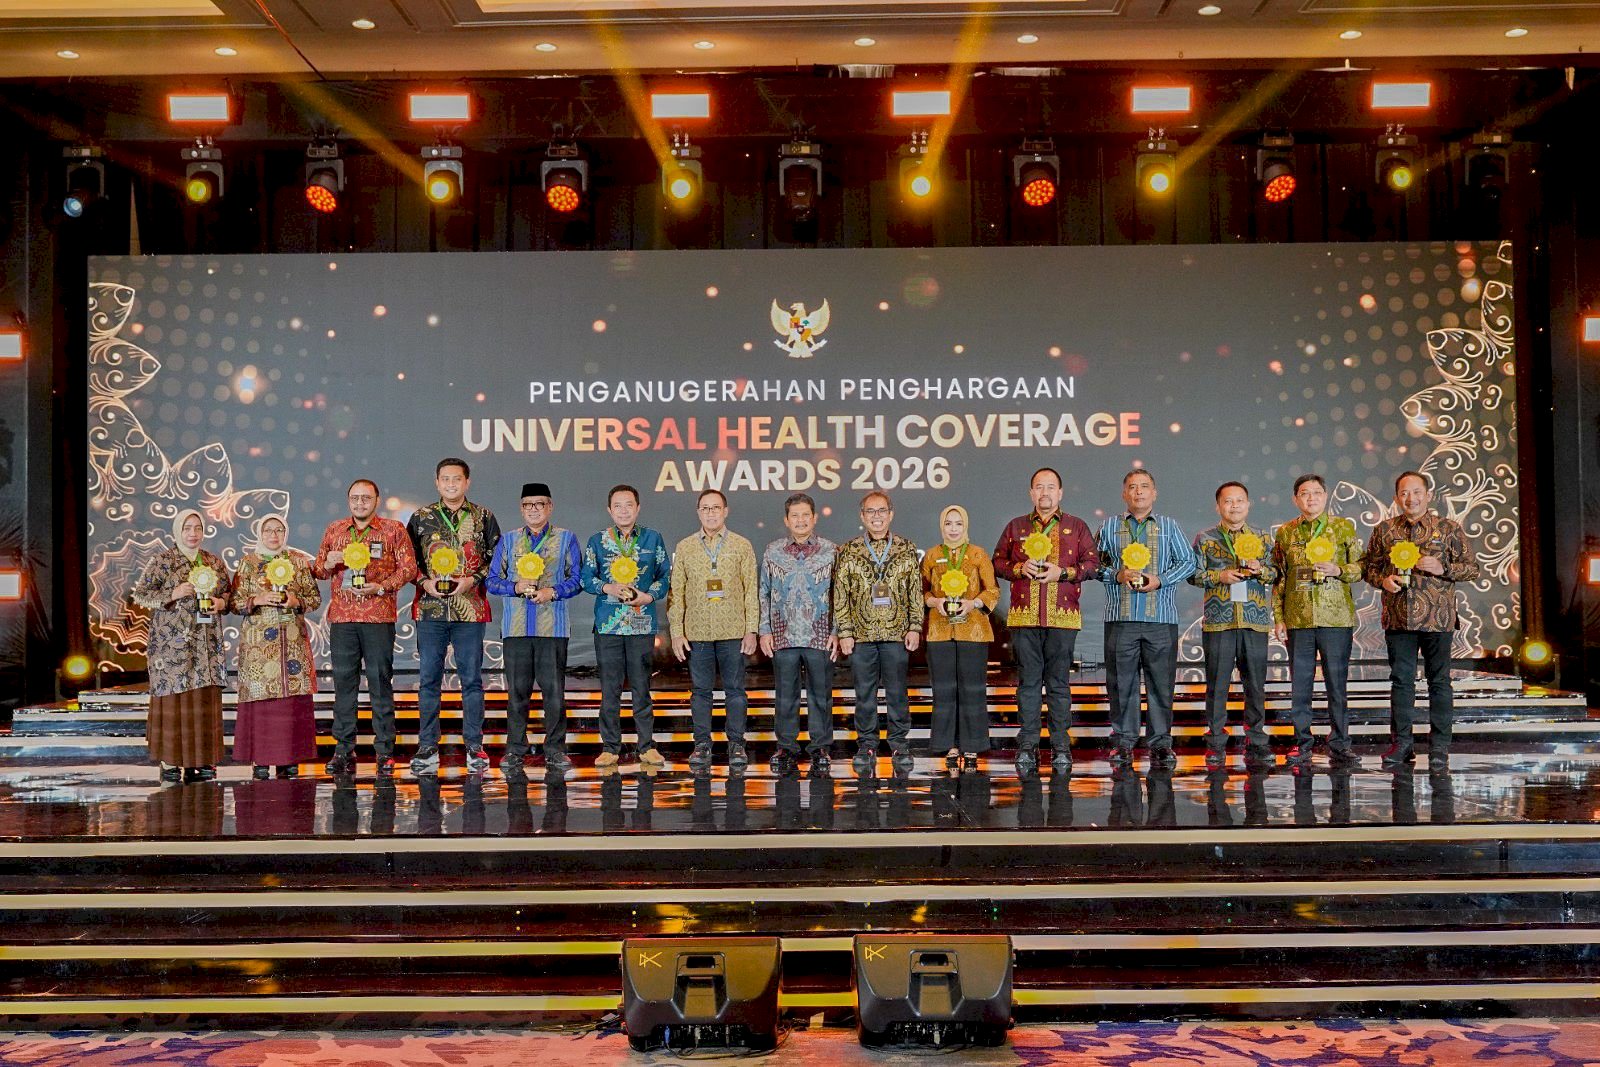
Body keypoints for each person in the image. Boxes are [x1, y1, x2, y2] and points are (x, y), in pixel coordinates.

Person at [1363, 470, 1480, 768]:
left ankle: (1439, 748)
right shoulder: (1385, 530)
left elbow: (1472, 568)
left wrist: (1443, 568)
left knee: (1439, 683)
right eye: (1404, 493)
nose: (1410, 498)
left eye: (1416, 492)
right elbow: (1369, 568)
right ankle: (1402, 745)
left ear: (1428, 495)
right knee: (1401, 683)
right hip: (1399, 620)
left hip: (1437, 619)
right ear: (1396, 498)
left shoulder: (1448, 528)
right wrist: (1382, 580)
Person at [991, 467, 1100, 774]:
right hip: (1024, 617)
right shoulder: (1016, 526)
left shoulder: (1076, 526)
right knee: (1027, 684)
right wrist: (1018, 568)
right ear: (1031, 493)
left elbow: (1093, 564)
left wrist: (1062, 573)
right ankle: (1027, 746)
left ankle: (1061, 746)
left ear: (1060, 493)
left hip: (1062, 619)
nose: (1045, 493)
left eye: (1051, 487)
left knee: (1059, 685)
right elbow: (997, 562)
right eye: (1039, 487)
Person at [312, 479, 417, 776]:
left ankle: (384, 751)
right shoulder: (335, 529)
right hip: (343, 619)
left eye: (366, 498)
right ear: (349, 501)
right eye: (355, 498)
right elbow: (318, 570)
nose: (360, 503)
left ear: (376, 500)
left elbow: (409, 568)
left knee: (380, 683)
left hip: (378, 618)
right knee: (344, 685)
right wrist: (328, 563)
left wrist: (381, 587)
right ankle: (343, 750)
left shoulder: (393, 529)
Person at [1094, 469, 1196, 768]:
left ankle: (1161, 743)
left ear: (1154, 493)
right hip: (1121, 617)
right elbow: (1092, 565)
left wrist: (1160, 580)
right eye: (1132, 487)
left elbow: (1188, 562)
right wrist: (1117, 574)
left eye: (1144, 486)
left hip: (1160, 618)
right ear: (1124, 493)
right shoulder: (1109, 526)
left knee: (1161, 684)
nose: (1138, 492)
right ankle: (1123, 743)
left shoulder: (1169, 526)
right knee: (1120, 684)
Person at [406, 457, 501, 775]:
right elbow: (408, 561)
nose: (451, 484)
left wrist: (473, 580)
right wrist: (424, 582)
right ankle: (427, 746)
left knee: (471, 680)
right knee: (428, 680)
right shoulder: (421, 518)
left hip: (469, 609)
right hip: (430, 610)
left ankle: (474, 746)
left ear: (467, 482)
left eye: (456, 479)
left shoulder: (484, 517)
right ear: (436, 482)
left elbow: (496, 557)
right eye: (445, 479)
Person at [485, 482, 584, 777]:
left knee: (554, 693)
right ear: (521, 508)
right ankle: (515, 749)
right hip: (516, 628)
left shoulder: (566, 539)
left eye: (539, 504)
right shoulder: (508, 540)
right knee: (517, 693)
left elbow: (578, 579)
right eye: (528, 505)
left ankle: (555, 750)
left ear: (549, 507)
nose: (533, 510)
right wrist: (515, 587)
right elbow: (492, 581)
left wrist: (553, 592)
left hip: (552, 627)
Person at [128, 509, 232, 783]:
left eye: (197, 527)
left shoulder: (213, 562)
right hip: (171, 646)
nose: (193, 533)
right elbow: (141, 596)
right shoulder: (163, 561)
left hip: (205, 643)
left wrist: (221, 602)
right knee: (174, 701)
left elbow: (229, 595)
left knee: (203, 698)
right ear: (177, 531)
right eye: (187, 528)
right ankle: (171, 761)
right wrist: (172, 593)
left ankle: (203, 761)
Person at [1272, 473, 1365, 770]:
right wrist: (1279, 617)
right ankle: (1302, 744)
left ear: (1325, 496)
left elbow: (1361, 567)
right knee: (1300, 686)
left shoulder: (1342, 527)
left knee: (1337, 685)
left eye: (1316, 492)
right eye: (1304, 493)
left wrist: (1338, 570)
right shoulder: (1286, 533)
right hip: (1298, 619)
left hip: (1335, 618)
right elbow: (1280, 577)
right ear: (1295, 499)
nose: (1310, 498)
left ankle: (1340, 744)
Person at [1188, 482, 1279, 771]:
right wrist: (1220, 576)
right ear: (1218, 506)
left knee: (1255, 684)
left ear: (1248, 504)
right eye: (1228, 501)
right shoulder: (1206, 538)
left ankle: (1256, 740)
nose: (1234, 506)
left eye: (1240, 500)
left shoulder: (1262, 538)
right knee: (1217, 685)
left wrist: (1260, 570)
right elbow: (1193, 574)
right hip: (1219, 621)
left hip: (1254, 621)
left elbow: (1276, 573)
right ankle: (1216, 742)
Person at [669, 489, 760, 773]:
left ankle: (736, 744)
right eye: (705, 508)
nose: (711, 513)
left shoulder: (741, 545)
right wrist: (677, 632)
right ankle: (702, 745)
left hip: (733, 631)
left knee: (736, 691)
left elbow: (751, 590)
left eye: (716, 507)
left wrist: (751, 629)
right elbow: (676, 593)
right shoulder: (685, 547)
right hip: (697, 633)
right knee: (700, 692)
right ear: (698, 512)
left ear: (725, 511)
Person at [581, 484, 670, 769]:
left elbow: (664, 576)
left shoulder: (653, 538)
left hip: (641, 624)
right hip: (608, 625)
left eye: (629, 505)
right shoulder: (597, 541)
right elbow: (586, 578)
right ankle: (610, 747)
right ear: (609, 510)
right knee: (610, 690)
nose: (623, 510)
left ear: (638, 507)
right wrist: (607, 586)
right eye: (617, 506)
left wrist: (649, 596)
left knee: (642, 687)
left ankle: (646, 746)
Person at [832, 491, 922, 775]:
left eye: (881, 510)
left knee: (897, 693)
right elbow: (841, 594)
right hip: (861, 635)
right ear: (862, 516)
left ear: (891, 514)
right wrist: (845, 631)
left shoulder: (906, 548)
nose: (876, 516)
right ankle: (867, 745)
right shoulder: (849, 550)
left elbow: (915, 592)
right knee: (864, 695)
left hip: (897, 634)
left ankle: (899, 744)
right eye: (870, 511)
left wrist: (915, 626)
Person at [229, 515, 321, 779]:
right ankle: (261, 760)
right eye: (268, 530)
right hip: (258, 648)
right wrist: (256, 599)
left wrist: (295, 601)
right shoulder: (248, 563)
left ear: (285, 533)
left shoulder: (298, 562)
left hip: (291, 644)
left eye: (279, 530)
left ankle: (289, 760)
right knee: (262, 702)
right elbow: (234, 602)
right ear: (260, 533)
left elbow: (314, 598)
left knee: (291, 702)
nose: (273, 535)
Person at [759, 492, 838, 777]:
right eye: (795, 515)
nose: (801, 520)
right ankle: (786, 747)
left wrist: (837, 631)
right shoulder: (773, 551)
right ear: (786, 520)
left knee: (821, 695)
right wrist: (764, 630)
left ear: (814, 518)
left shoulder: (831, 551)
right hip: (784, 634)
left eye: (806, 515)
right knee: (786, 696)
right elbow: (764, 593)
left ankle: (820, 748)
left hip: (820, 634)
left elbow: (840, 594)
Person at [921, 504, 1000, 768]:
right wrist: (935, 602)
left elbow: (993, 591)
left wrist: (973, 603)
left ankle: (973, 746)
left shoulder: (978, 554)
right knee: (943, 690)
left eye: (958, 524)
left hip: (973, 631)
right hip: (940, 631)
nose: (953, 529)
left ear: (965, 526)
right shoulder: (932, 555)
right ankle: (950, 746)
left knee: (972, 690)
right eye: (948, 523)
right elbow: (921, 591)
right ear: (941, 526)